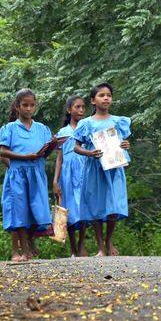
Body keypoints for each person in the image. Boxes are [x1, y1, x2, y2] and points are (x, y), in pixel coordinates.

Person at [73, 83, 132, 256]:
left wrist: (126, 145)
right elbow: (76, 147)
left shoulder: (118, 121)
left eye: (108, 95)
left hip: (114, 168)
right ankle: (100, 247)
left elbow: (124, 143)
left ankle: (109, 240)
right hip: (95, 169)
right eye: (101, 95)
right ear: (93, 100)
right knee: (97, 205)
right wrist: (89, 152)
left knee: (113, 206)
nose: (106, 98)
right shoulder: (86, 123)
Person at [0, 88, 54, 262]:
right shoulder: (9, 129)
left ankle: (29, 242)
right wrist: (25, 157)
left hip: (36, 174)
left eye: (32, 105)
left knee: (38, 209)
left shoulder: (42, 128)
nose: (29, 109)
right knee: (19, 210)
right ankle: (23, 249)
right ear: (17, 106)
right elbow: (4, 152)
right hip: (18, 175)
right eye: (25, 105)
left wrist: (51, 146)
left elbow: (45, 153)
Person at [53, 94, 88, 257]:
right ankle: (73, 247)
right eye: (77, 107)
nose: (81, 110)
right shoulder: (63, 132)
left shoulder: (87, 128)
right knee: (69, 209)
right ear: (69, 110)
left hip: (84, 171)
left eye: (83, 107)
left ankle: (82, 244)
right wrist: (55, 181)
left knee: (83, 208)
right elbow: (59, 158)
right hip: (67, 174)